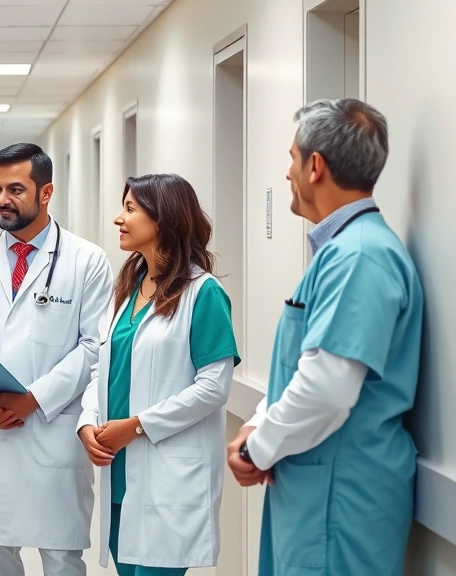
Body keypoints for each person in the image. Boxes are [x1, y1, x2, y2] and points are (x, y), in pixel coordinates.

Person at [227, 98, 423, 576]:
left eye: (292, 159)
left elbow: (328, 386)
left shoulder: (359, 256)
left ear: (316, 166)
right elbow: (300, 365)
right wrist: (257, 423)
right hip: (321, 493)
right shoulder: (345, 250)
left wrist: (258, 446)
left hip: (341, 499)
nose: (288, 172)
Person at [0, 143, 114, 576]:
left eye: (15, 189)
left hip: (52, 429)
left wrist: (34, 398)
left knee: (62, 557)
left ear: (45, 193)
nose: (2, 200)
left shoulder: (87, 262)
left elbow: (94, 346)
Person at [78, 174, 239, 575]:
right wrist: (87, 423)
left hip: (166, 475)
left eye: (130, 209)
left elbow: (213, 387)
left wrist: (136, 427)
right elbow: (102, 366)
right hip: (120, 471)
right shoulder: (128, 287)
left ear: (163, 220)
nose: (119, 218)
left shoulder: (203, 294)